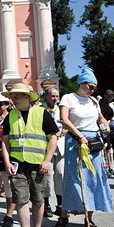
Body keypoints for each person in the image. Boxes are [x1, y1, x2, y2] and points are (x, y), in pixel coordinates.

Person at [0, 83, 59, 227]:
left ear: (27, 97)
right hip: (18, 165)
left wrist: (47, 160)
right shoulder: (10, 115)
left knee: (38, 200)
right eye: (11, 97)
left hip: (38, 165)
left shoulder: (42, 114)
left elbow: (53, 138)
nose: (13, 100)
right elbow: (5, 142)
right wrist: (7, 162)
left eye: (16, 96)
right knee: (21, 200)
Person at [55, 67, 113, 227]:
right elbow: (64, 119)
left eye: (95, 87)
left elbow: (101, 118)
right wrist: (80, 136)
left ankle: (89, 218)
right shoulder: (68, 98)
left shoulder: (93, 101)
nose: (92, 90)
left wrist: (105, 126)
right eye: (90, 86)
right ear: (81, 83)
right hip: (75, 140)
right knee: (73, 179)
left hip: (93, 142)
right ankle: (63, 215)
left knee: (93, 178)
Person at [0, 92, 15, 227]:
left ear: (7, 105)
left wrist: (7, 149)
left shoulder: (12, 117)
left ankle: (9, 215)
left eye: (1, 104)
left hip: (7, 158)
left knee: (8, 188)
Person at [42, 86, 67, 218]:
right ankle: (46, 203)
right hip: (46, 146)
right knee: (47, 176)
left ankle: (60, 203)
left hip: (60, 146)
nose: (55, 99)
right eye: (52, 96)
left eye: (57, 96)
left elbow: (68, 124)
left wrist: (63, 132)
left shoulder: (61, 109)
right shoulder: (41, 110)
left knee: (60, 173)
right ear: (46, 96)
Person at [100, 90, 114, 175]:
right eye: (108, 96)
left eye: (111, 96)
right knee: (107, 148)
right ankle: (110, 167)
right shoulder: (102, 104)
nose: (110, 97)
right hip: (106, 128)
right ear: (105, 95)